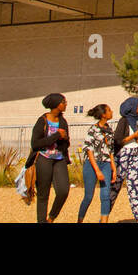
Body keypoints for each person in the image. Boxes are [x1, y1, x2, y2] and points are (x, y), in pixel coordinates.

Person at [31, 93, 71, 223]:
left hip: (59, 159)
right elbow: (35, 143)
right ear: (56, 104)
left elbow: (66, 143)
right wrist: (56, 136)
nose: (66, 104)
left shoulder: (63, 121)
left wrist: (64, 139)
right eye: (63, 102)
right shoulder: (42, 120)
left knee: (63, 191)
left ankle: (52, 217)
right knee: (44, 195)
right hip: (44, 158)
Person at [76, 103, 117, 223]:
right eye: (109, 110)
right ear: (103, 114)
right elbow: (89, 150)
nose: (111, 112)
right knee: (88, 197)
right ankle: (79, 220)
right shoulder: (93, 129)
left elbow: (110, 151)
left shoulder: (109, 130)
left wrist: (113, 168)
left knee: (105, 196)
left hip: (106, 164)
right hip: (92, 164)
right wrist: (97, 170)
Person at [111, 96, 138, 223]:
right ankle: (105, 214)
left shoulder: (137, 120)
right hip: (123, 155)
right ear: (132, 107)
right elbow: (118, 140)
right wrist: (133, 136)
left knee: (134, 184)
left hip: (134, 153)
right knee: (116, 184)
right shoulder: (124, 121)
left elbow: (137, 137)